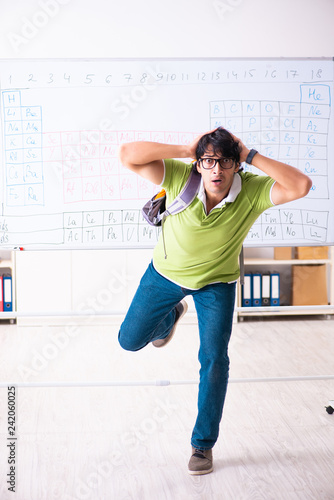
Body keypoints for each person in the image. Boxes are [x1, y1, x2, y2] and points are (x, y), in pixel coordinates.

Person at [118, 127, 312, 475]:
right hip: (164, 276)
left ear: (236, 165)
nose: (216, 170)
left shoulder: (252, 191)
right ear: (199, 163)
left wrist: (251, 155)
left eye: (225, 162)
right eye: (209, 161)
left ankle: (202, 446)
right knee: (129, 340)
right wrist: (184, 148)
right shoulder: (181, 174)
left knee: (214, 360)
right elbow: (127, 154)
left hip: (217, 285)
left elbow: (301, 186)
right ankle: (171, 315)